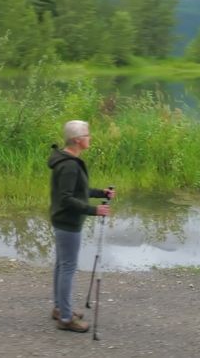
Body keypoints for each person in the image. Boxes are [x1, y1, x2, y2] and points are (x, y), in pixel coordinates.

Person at [48, 119, 113, 332]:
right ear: (77, 140)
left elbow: (78, 191)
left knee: (61, 265)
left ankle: (60, 309)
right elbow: (67, 198)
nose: (90, 138)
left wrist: (100, 193)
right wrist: (94, 210)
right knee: (67, 267)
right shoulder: (69, 166)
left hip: (63, 220)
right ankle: (66, 318)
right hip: (68, 222)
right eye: (87, 135)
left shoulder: (67, 161)